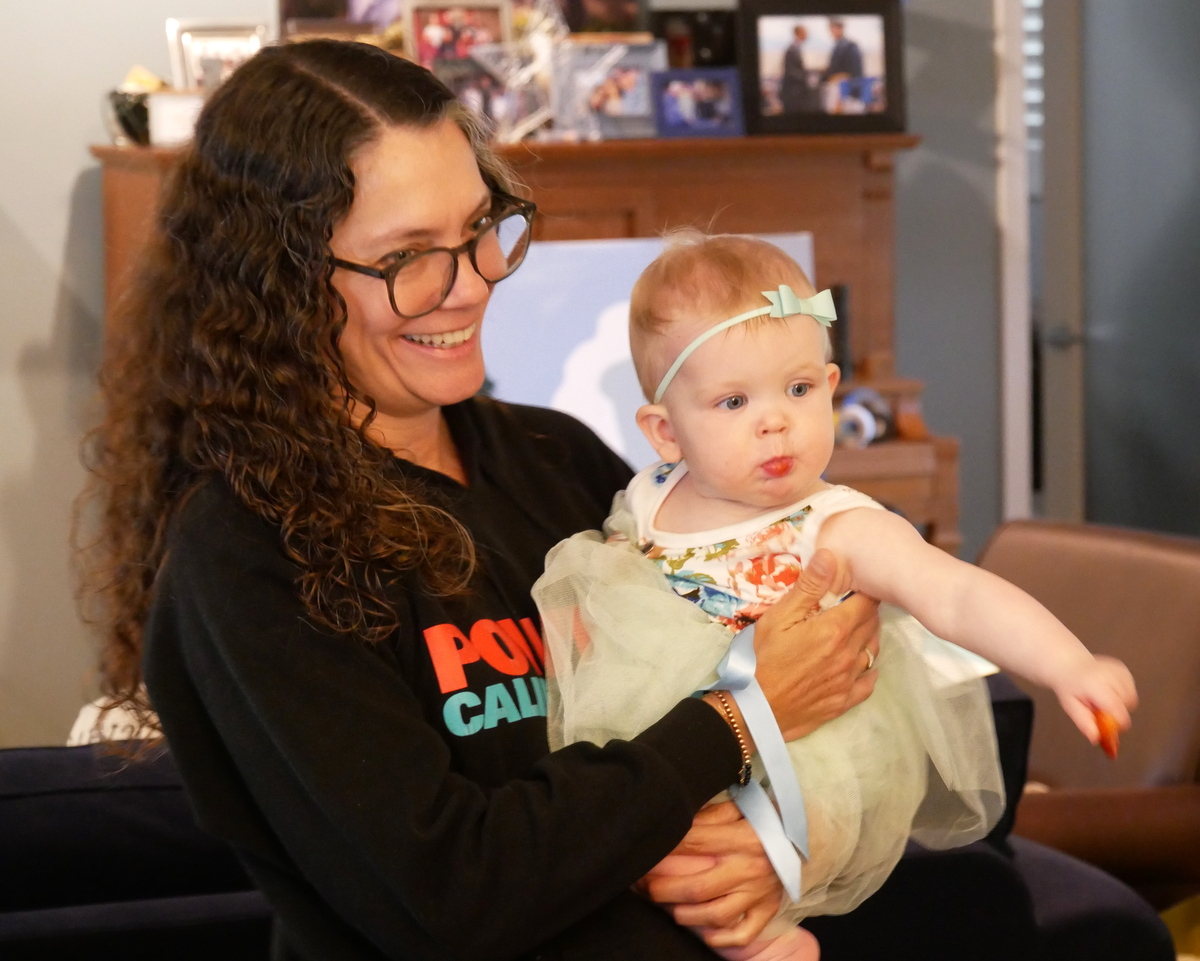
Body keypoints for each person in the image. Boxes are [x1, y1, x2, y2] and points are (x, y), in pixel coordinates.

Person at [77, 40, 895, 960]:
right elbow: (452, 891)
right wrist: (738, 719)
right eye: (407, 256)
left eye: (479, 228)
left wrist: (777, 847)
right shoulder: (245, 551)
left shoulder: (553, 455)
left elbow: (802, 665)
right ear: (279, 280)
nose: (470, 285)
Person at [533, 232, 1138, 961]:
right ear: (666, 432)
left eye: (798, 389)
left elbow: (957, 594)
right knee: (640, 846)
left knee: (723, 872)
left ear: (829, 384)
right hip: (674, 737)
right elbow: (615, 573)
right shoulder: (651, 497)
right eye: (733, 401)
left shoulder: (837, 525)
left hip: (800, 753)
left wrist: (1069, 663)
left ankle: (763, 939)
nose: (775, 421)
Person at [779, 25, 815, 114]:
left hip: (796, 90)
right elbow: (791, 71)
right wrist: (806, 78)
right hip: (793, 91)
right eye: (805, 33)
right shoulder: (792, 50)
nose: (807, 35)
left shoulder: (796, 48)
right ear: (799, 33)